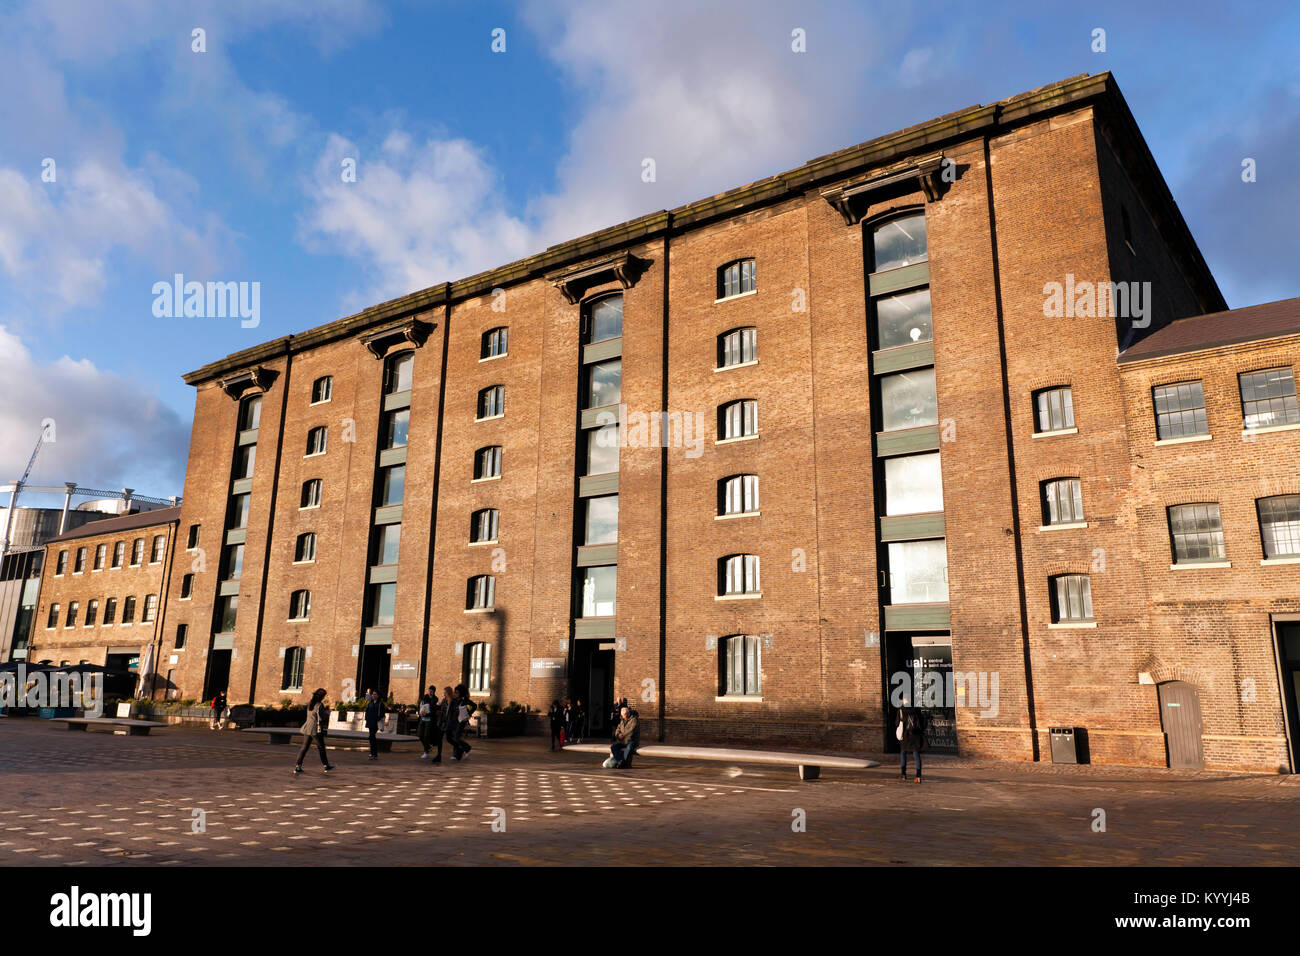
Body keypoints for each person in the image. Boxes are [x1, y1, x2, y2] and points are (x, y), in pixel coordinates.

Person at [294, 688, 336, 774]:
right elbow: (321, 717)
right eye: (324, 695)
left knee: (304, 748)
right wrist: (328, 713)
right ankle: (326, 766)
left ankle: (298, 766)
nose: (324, 697)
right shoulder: (319, 705)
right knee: (321, 748)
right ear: (321, 696)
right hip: (315, 729)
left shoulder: (310, 703)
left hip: (308, 727)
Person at [898, 698, 927, 783]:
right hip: (916, 735)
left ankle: (903, 774)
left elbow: (896, 723)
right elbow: (923, 723)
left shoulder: (901, 710)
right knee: (916, 755)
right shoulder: (917, 710)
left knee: (903, 753)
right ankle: (918, 776)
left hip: (906, 735)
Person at [604, 704, 639, 769]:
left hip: (631, 741)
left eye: (624, 716)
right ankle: (621, 761)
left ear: (627, 714)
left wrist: (622, 735)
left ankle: (623, 763)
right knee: (613, 747)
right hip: (623, 741)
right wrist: (617, 735)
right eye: (622, 716)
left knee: (628, 749)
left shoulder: (634, 720)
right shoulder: (622, 720)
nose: (623, 717)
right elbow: (618, 729)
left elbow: (631, 730)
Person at [447, 684, 476, 760]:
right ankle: (456, 754)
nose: (455, 694)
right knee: (452, 737)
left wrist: (469, 713)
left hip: (462, 721)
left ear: (461, 693)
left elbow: (474, 706)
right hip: (455, 721)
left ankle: (467, 748)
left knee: (456, 737)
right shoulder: (455, 700)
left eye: (457, 692)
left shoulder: (465, 700)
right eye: (455, 692)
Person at [418, 687, 439, 759]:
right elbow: (421, 706)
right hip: (422, 719)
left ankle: (426, 752)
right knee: (420, 736)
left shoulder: (435, 699)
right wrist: (420, 713)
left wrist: (426, 713)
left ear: (434, 692)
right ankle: (428, 747)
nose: (430, 692)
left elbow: (433, 710)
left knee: (426, 736)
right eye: (429, 690)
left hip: (429, 720)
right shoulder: (425, 697)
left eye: (432, 691)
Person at [364, 689, 385, 761]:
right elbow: (367, 711)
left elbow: (382, 714)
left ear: (378, 696)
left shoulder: (380, 704)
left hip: (375, 723)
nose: (373, 695)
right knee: (371, 738)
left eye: (375, 694)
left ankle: (374, 753)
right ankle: (373, 753)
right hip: (370, 722)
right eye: (373, 694)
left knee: (372, 737)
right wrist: (366, 718)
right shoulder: (370, 703)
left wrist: (377, 719)